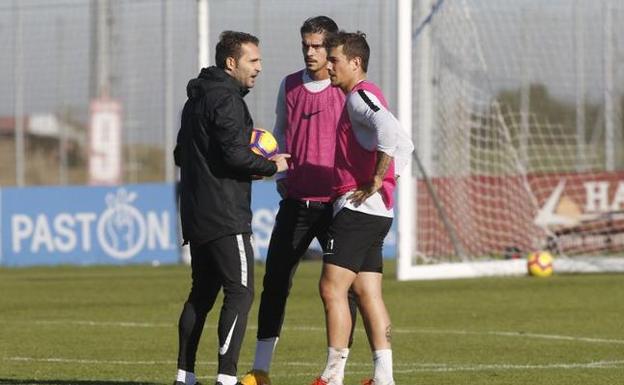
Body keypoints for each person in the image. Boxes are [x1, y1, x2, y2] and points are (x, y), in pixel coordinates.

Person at [240, 16, 358, 385]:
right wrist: (281, 173)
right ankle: (260, 369)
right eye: (305, 44)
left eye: (317, 46)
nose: (310, 52)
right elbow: (279, 133)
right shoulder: (289, 85)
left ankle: (336, 372)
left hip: (337, 203)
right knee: (275, 281)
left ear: (332, 48)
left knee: (346, 289)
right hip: (296, 202)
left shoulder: (347, 89)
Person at [173, 31, 290, 385]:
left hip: (196, 212)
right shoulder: (227, 100)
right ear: (231, 63)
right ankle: (226, 378)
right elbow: (236, 156)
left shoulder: (196, 99)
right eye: (252, 61)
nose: (259, 68)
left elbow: (181, 155)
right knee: (240, 292)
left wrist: (234, 163)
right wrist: (271, 165)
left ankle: (185, 375)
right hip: (225, 215)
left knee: (202, 294)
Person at [310, 31, 414, 385]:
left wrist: (377, 179)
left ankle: (333, 376)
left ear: (355, 63)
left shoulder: (360, 96)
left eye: (334, 59)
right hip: (375, 212)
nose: (328, 65)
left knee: (331, 288)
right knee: (368, 292)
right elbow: (405, 144)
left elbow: (393, 133)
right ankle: (384, 378)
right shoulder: (362, 97)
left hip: (359, 211)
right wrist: (386, 181)